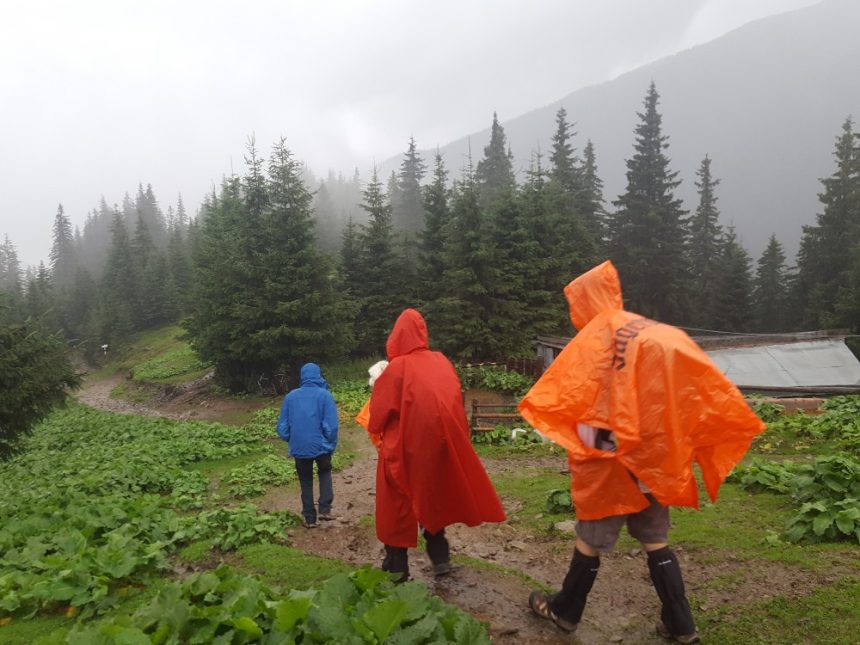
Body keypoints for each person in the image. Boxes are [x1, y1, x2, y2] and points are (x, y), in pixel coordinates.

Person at [518, 261, 764, 643]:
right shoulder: (649, 330)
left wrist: (591, 443)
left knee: (590, 538)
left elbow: (576, 403)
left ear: (582, 302)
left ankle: (565, 611)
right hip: (654, 458)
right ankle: (681, 624)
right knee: (655, 539)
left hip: (611, 465)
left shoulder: (594, 340)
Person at [367, 308, 506, 581]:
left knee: (397, 505)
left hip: (403, 449)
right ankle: (440, 558)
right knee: (430, 497)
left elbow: (377, 418)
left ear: (396, 336)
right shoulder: (441, 361)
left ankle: (396, 568)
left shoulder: (397, 368)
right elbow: (453, 401)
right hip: (438, 447)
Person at [276, 362, 339, 528]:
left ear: (302, 377)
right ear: (318, 375)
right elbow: (331, 426)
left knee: (305, 480)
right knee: (324, 472)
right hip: (321, 445)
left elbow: (282, 426)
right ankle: (325, 509)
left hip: (299, 446)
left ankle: (310, 519)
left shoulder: (290, 397)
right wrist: (329, 441)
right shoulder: (325, 395)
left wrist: (292, 438)